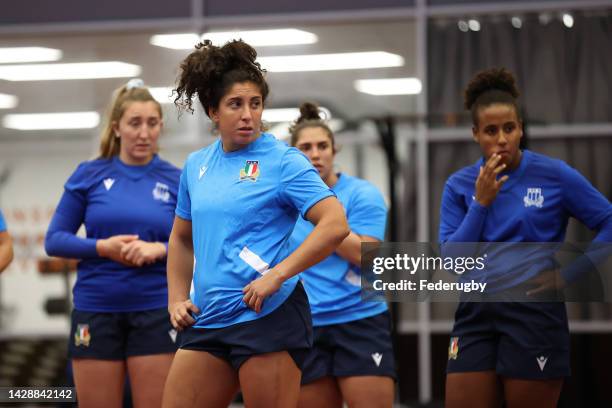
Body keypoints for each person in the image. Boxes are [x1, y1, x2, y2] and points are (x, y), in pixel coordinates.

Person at [162, 40, 349, 408]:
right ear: (213, 111)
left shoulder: (284, 161)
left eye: (255, 103)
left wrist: (276, 275)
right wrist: (176, 297)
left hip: (269, 316)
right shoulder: (196, 166)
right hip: (209, 317)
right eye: (235, 104)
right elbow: (182, 239)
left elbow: (334, 223)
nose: (248, 114)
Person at [439, 67, 612, 408]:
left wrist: (569, 275)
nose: (502, 138)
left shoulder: (554, 175)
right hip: (475, 313)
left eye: (509, 128)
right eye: (491, 130)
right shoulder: (459, 185)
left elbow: (608, 221)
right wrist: (481, 203)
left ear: (520, 129)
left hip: (534, 314)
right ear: (476, 134)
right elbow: (452, 261)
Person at [45, 79, 180, 408]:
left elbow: (197, 243)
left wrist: (160, 248)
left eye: (152, 123)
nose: (144, 133)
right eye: (135, 123)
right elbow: (55, 240)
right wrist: (103, 247)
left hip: (155, 310)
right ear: (117, 127)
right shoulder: (89, 174)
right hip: (97, 309)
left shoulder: (176, 179)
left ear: (161, 126)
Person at [288, 102, 395, 408]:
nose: (315, 153)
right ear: (294, 155)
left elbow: (368, 256)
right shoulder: (284, 201)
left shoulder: (363, 194)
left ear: (335, 150)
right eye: (305, 147)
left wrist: (323, 215)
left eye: (322, 146)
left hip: (360, 319)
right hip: (306, 324)